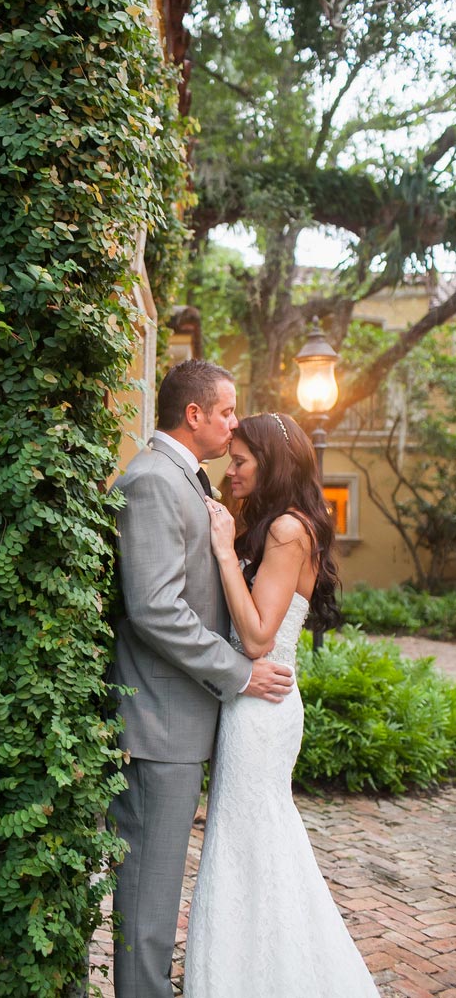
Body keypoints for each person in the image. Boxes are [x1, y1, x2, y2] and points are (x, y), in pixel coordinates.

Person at [108, 362, 295, 998]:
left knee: (159, 894)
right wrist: (240, 672)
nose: (234, 422)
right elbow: (156, 608)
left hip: (181, 720)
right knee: (147, 898)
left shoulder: (187, 481)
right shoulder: (154, 481)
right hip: (160, 724)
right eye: (225, 412)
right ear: (194, 415)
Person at [184, 411, 380, 998]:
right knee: (250, 838)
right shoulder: (276, 524)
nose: (231, 468)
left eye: (241, 461)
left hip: (261, 709)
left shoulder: (287, 530)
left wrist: (223, 551)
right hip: (259, 702)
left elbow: (258, 637)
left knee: (253, 839)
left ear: (270, 465)